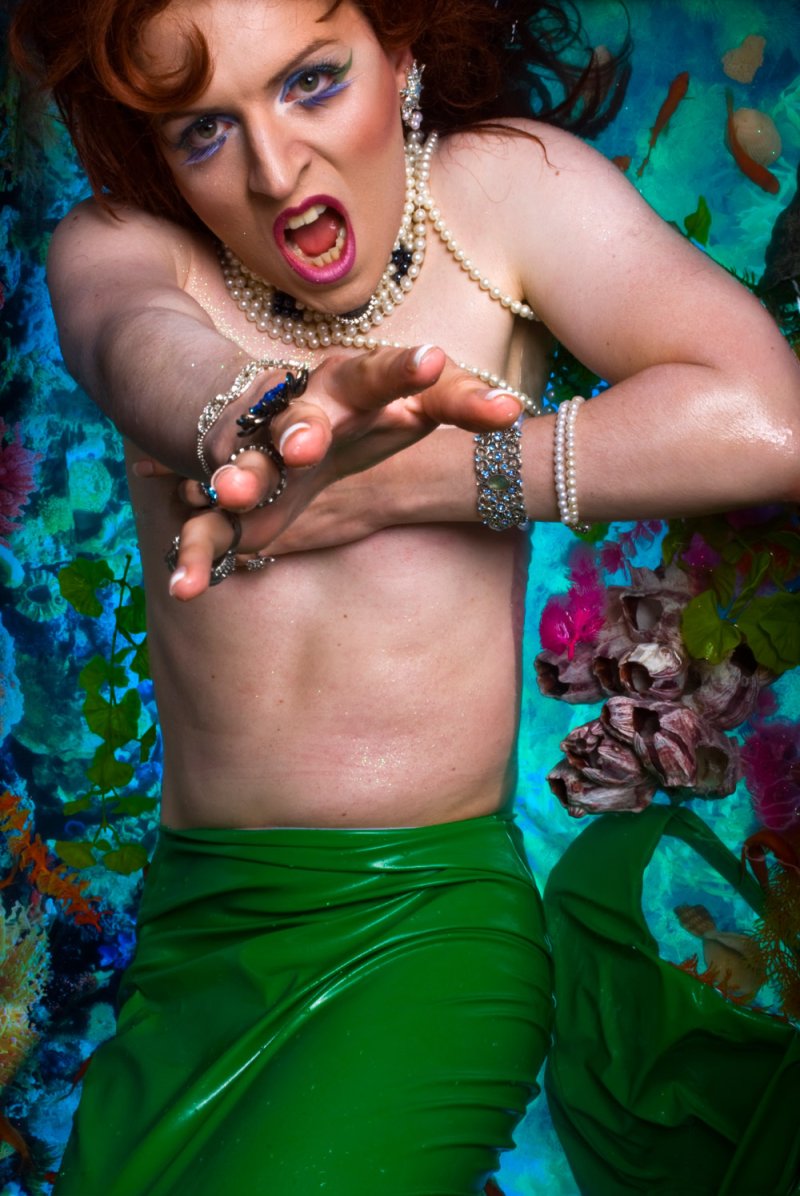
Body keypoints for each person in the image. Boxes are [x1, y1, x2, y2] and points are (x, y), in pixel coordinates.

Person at [9, 0, 800, 1192]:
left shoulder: (498, 197)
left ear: (403, 49)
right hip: (193, 942)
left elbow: (765, 419)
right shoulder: (124, 242)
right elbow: (141, 343)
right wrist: (259, 418)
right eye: (202, 130)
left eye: (313, 82)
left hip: (419, 931)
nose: (276, 168)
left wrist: (421, 483)